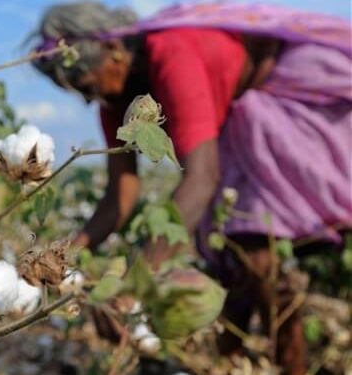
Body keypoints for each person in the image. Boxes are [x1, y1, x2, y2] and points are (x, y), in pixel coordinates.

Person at [30, 2, 352, 374]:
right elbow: (120, 195)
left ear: (112, 50)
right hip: (238, 121)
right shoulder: (117, 103)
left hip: (285, 96)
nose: (88, 99)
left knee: (258, 255)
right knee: (241, 256)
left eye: (86, 85)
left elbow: (201, 179)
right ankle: (231, 361)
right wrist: (61, 255)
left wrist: (134, 285)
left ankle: (290, 366)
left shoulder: (171, 52)